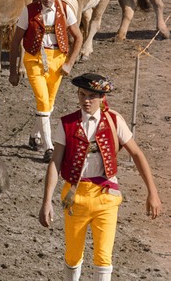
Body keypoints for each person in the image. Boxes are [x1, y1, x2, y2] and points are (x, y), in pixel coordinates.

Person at [39, 73, 162, 281]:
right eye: (82, 94)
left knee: (104, 257)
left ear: (102, 98)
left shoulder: (115, 120)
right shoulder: (66, 123)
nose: (86, 100)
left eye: (92, 96)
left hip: (107, 196)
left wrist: (153, 192)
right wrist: (46, 201)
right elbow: (55, 162)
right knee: (72, 254)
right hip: (75, 197)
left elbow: (138, 154)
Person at [9, 0, 83, 163]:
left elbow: (78, 38)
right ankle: (49, 147)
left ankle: (35, 135)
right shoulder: (29, 11)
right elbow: (15, 41)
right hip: (34, 59)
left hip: (58, 60)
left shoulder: (65, 9)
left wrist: (69, 63)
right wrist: (12, 71)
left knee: (48, 103)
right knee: (42, 100)